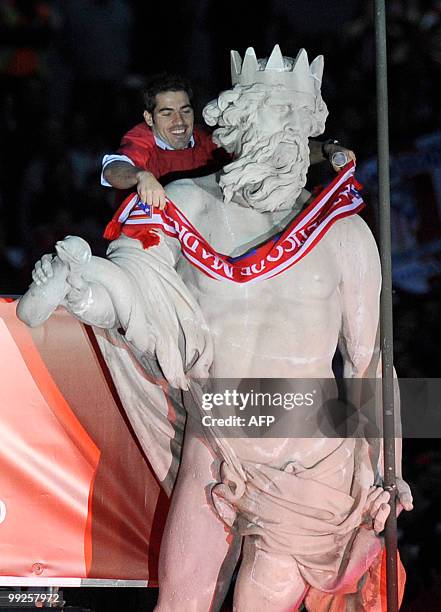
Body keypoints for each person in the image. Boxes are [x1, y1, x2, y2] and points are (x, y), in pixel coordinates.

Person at [18, 45, 412, 611]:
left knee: (260, 603)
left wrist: (385, 466)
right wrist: (85, 285)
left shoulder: (342, 230)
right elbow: (140, 292)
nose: (286, 144)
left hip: (309, 451)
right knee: (180, 600)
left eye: (297, 128)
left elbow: (367, 360)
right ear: (238, 124)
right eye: (275, 121)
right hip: (219, 427)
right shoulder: (186, 205)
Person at [101, 72, 354, 210]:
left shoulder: (208, 138)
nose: (178, 121)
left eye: (185, 110)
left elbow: (270, 149)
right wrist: (142, 177)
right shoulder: (141, 138)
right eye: (167, 113)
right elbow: (113, 169)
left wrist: (327, 149)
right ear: (149, 117)